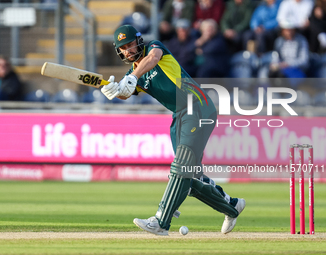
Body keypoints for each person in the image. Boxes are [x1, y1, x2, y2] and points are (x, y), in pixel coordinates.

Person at [101, 25, 246, 235]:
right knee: (190, 178)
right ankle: (232, 206)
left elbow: (152, 59)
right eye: (123, 48)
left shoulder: (154, 47)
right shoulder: (134, 74)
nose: (128, 50)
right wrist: (114, 89)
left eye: (130, 44)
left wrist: (130, 78)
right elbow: (126, 91)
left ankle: (161, 222)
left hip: (197, 106)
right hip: (179, 116)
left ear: (139, 41)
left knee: (180, 168)